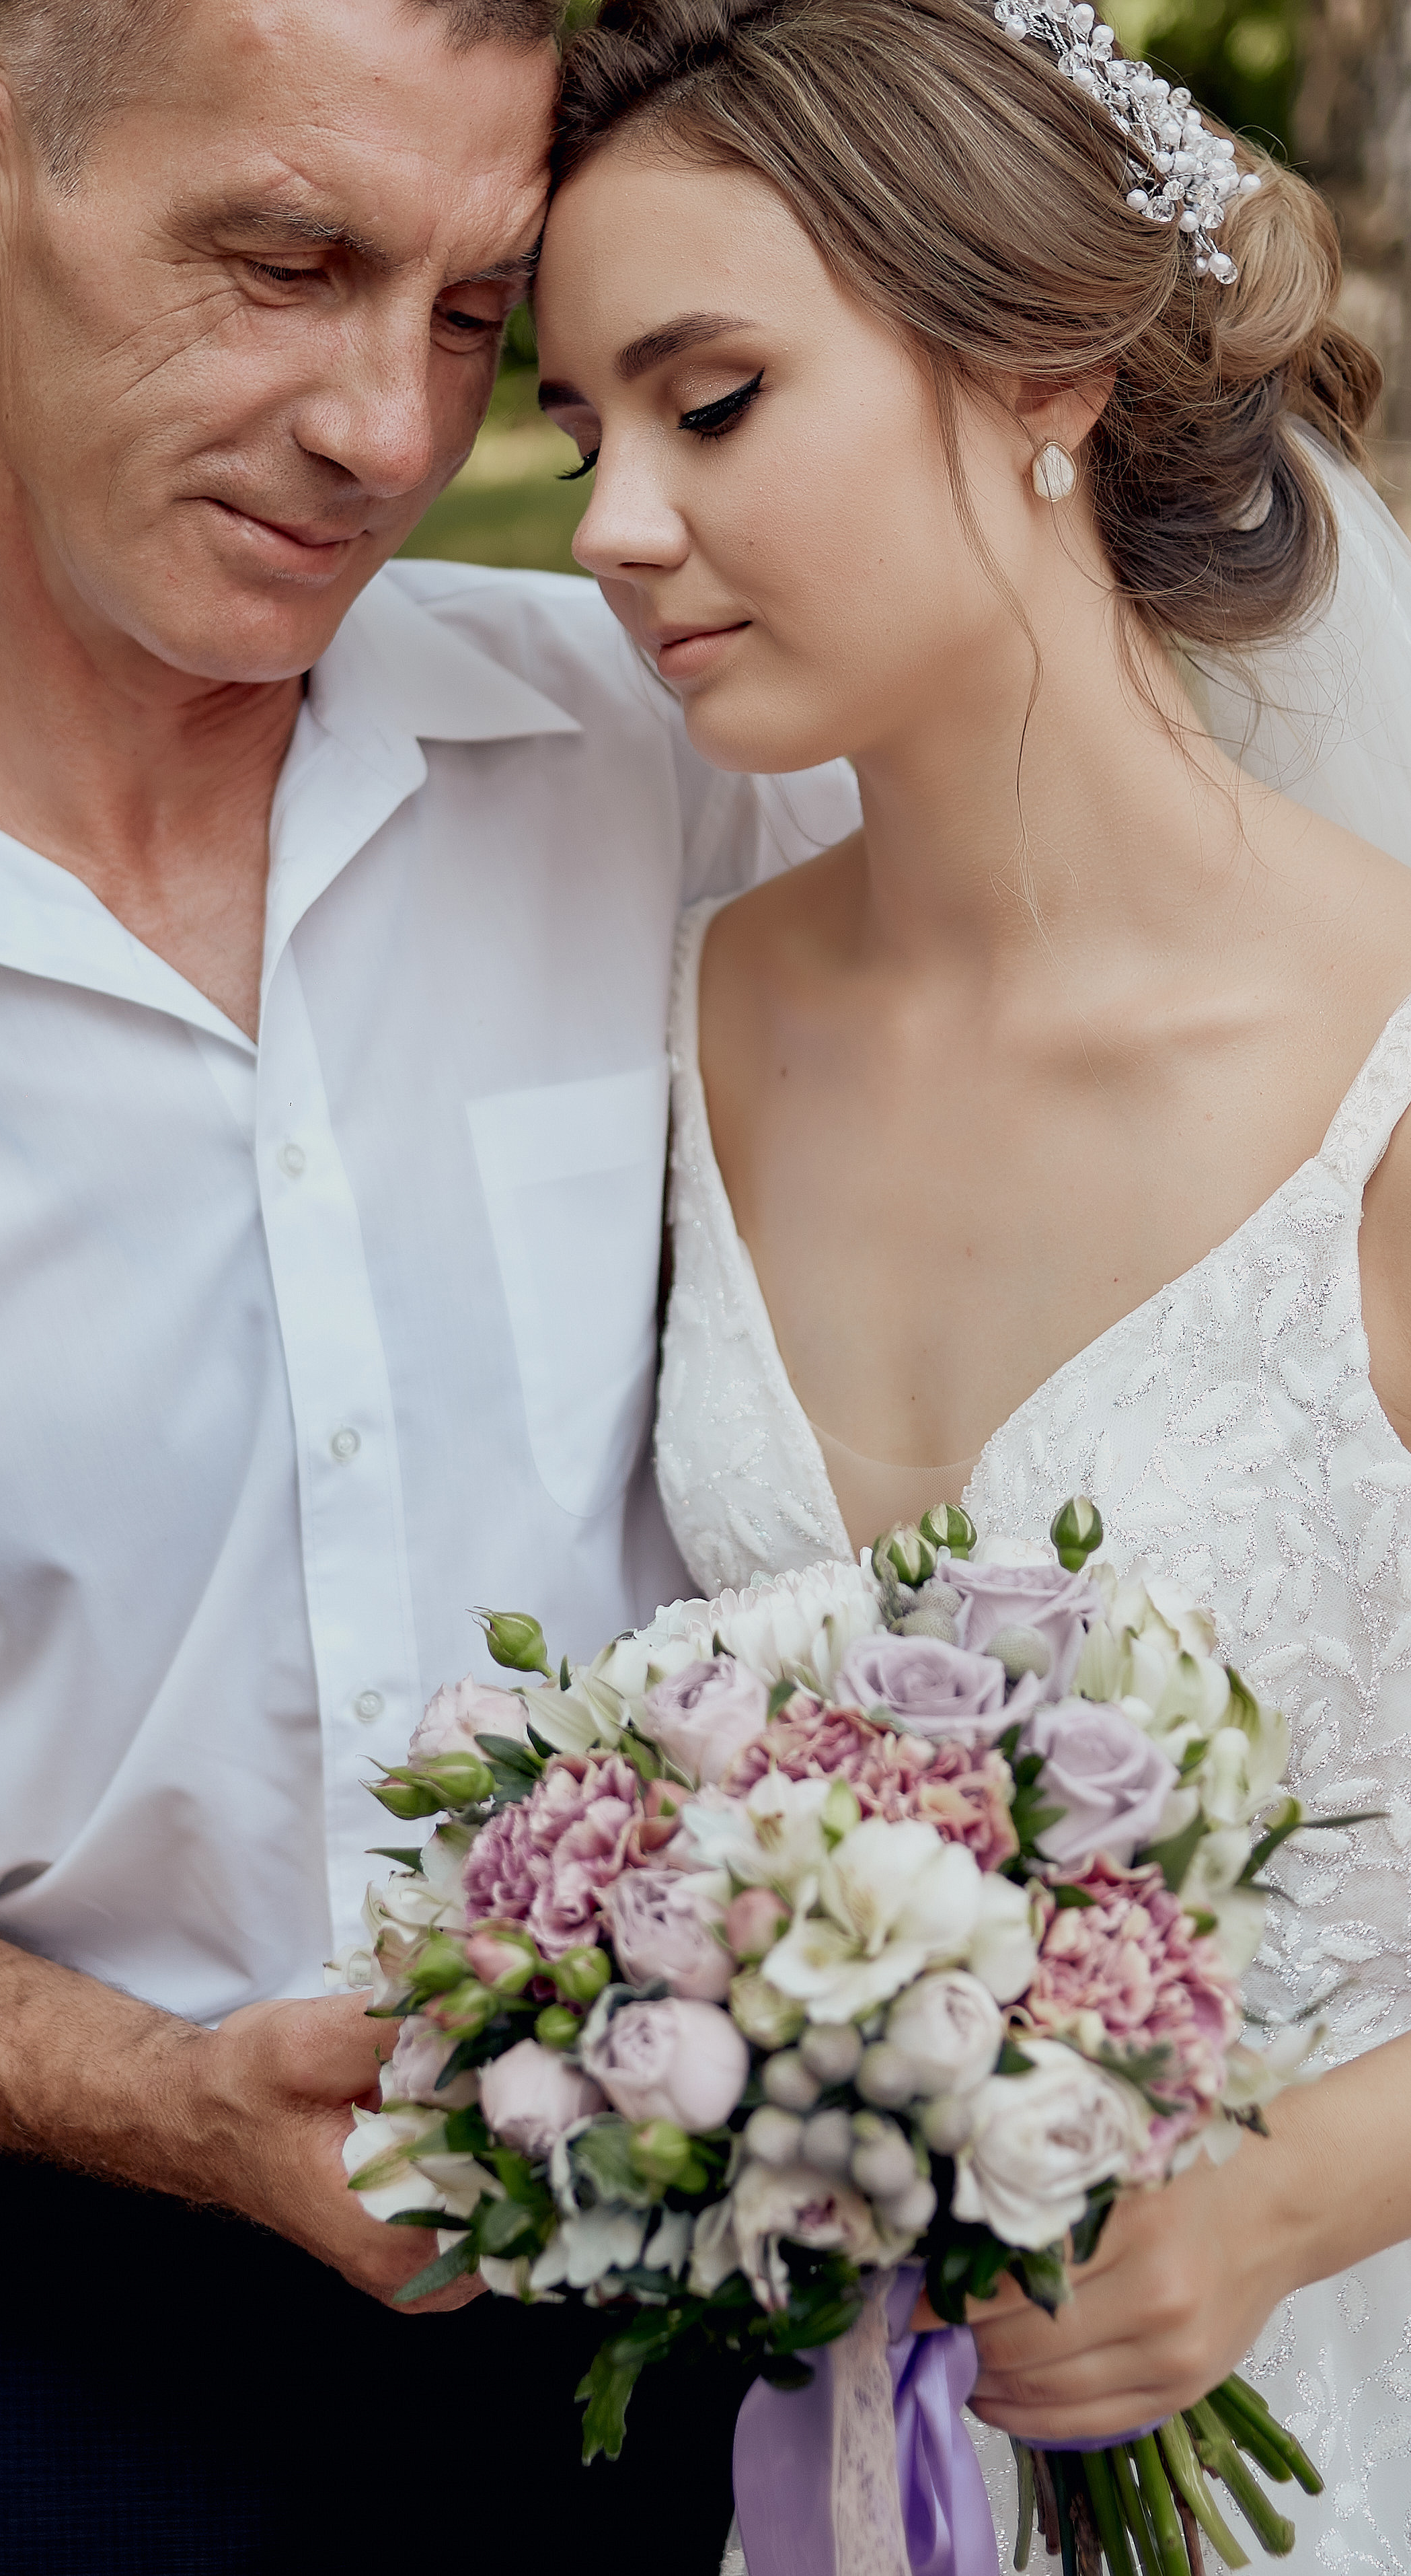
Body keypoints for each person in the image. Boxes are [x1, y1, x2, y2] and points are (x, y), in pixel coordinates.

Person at [0, 1, 857, 2566]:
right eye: (289, 260)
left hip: (810, 2314)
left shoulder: (688, 757)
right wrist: (156, 2103)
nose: (386, 434)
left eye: (468, 315)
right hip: (82, 2362)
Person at [531, 0, 1411, 2566]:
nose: (603, 525)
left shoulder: (1391, 1074)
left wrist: (1270, 2204)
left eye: (709, 405)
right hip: (833, 2461)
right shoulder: (692, 1015)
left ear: (1035, 371)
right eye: (576, 430)